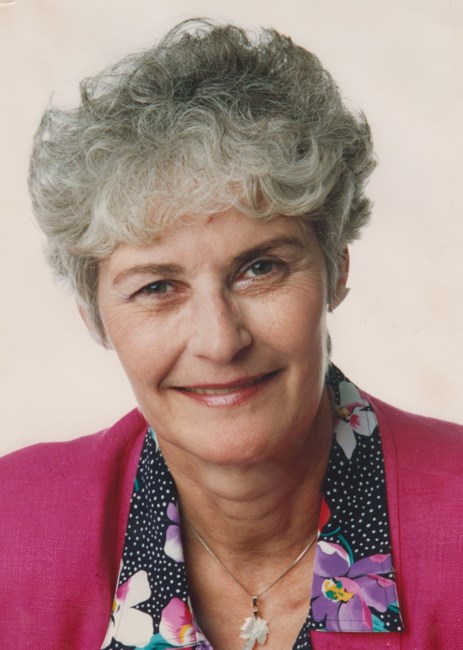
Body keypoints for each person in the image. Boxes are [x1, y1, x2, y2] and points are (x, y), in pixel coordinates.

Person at [1, 19, 462, 650]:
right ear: (94, 315)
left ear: (337, 270)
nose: (219, 342)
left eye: (260, 268)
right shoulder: (14, 531)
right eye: (157, 287)